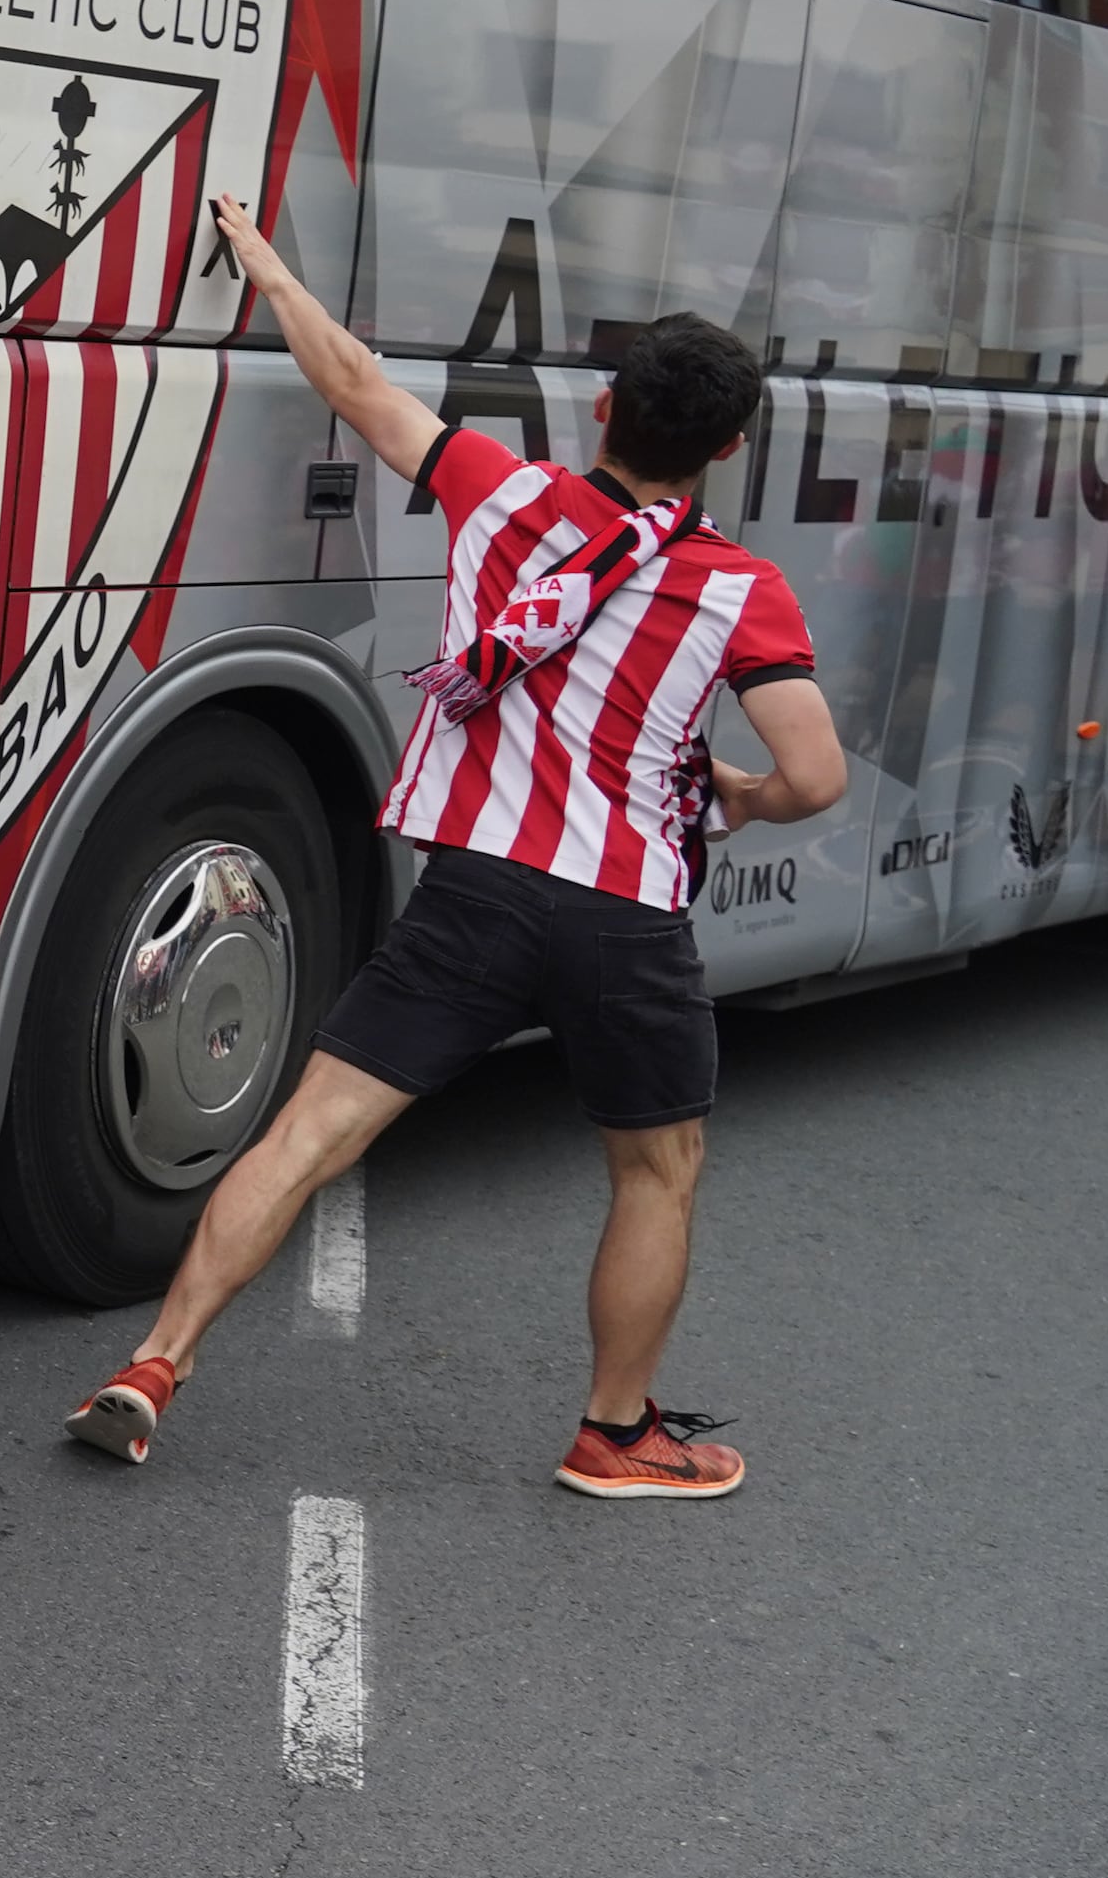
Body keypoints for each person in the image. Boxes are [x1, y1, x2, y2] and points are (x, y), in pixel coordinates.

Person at [68, 195, 847, 1498]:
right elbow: (815, 772)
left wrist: (263, 258)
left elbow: (355, 380)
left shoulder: (508, 498)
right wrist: (740, 794)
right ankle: (614, 1434)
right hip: (623, 921)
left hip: (474, 892)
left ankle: (153, 1361)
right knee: (658, 1168)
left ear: (606, 410)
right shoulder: (738, 589)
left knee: (311, 1129)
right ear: (726, 447)